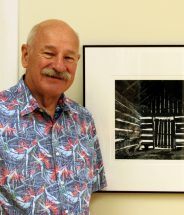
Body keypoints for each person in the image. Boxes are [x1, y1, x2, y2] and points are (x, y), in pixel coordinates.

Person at [0, 19, 106, 214]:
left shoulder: (83, 120)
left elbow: (87, 195)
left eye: (68, 58)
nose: (59, 66)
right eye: (49, 53)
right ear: (25, 55)